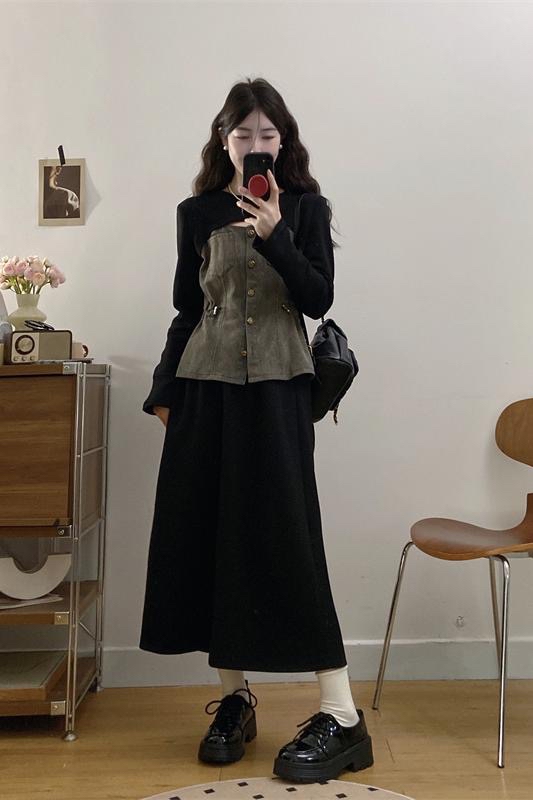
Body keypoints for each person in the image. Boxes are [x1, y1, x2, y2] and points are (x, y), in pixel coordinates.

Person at [139, 77, 374, 784]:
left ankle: (341, 714)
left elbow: (317, 297)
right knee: (212, 536)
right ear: (223, 140)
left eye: (267, 134)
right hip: (202, 392)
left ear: (283, 140)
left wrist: (275, 233)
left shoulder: (303, 206)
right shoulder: (197, 212)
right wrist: (163, 392)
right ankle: (235, 700)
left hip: (278, 390)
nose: (254, 144)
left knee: (288, 536)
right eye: (242, 134)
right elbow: (187, 310)